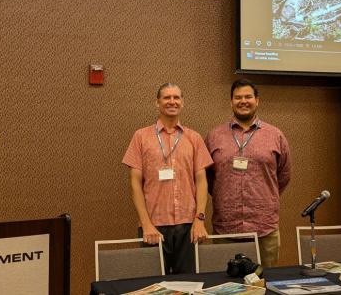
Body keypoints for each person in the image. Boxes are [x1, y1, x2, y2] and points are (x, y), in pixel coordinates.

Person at [122, 83, 212, 274]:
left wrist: (200, 220)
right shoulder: (141, 137)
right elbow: (135, 183)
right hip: (153, 226)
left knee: (190, 285)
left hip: (189, 226)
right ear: (157, 103)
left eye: (176, 97)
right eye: (167, 97)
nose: (172, 101)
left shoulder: (194, 138)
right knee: (153, 286)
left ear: (182, 102)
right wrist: (145, 223)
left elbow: (202, 181)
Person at [205, 79, 291, 267]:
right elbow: (208, 178)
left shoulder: (275, 135)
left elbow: (283, 175)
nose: (243, 101)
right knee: (224, 285)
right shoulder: (214, 136)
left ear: (257, 100)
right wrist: (224, 195)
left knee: (264, 284)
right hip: (225, 228)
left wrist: (266, 196)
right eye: (238, 97)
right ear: (231, 102)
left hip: (264, 228)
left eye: (248, 97)